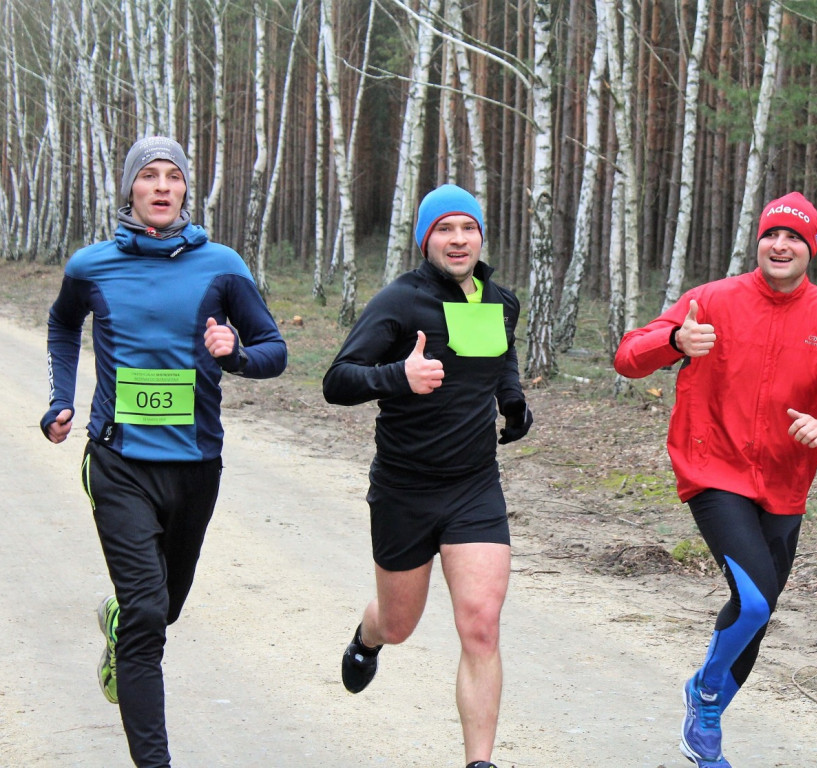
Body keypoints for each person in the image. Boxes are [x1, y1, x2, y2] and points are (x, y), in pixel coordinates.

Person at [614, 192, 817, 768]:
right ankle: (706, 701)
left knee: (758, 612)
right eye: (772, 235)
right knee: (751, 605)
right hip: (713, 469)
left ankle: (708, 704)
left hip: (785, 486)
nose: (781, 245)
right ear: (759, 242)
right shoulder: (711, 300)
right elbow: (627, 356)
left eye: (795, 237)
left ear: (811, 248)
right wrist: (673, 342)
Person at [41, 136, 287, 768]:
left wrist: (234, 355)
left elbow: (274, 352)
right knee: (150, 615)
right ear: (130, 189)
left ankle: (121, 624)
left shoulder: (223, 265)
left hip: (197, 464)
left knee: (163, 608)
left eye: (171, 177)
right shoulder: (90, 266)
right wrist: (61, 398)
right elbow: (64, 325)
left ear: (185, 190)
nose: (159, 187)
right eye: (147, 176)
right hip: (118, 460)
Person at [322, 184, 532, 768]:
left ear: (482, 236)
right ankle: (368, 638)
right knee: (399, 622)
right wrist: (398, 376)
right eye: (445, 229)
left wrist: (513, 403)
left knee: (482, 627)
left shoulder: (500, 300)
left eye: (468, 228)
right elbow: (337, 381)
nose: (458, 239)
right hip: (404, 490)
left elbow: (500, 357)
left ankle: (479, 763)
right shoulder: (399, 302)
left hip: (473, 487)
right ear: (425, 239)